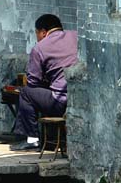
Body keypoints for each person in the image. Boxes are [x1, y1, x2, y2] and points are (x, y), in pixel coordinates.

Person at [10, 14, 78, 151]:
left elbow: (33, 82)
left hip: (60, 100)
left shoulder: (40, 48)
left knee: (25, 93)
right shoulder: (76, 35)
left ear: (42, 32)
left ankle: (32, 138)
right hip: (79, 95)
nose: (38, 38)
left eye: (37, 34)